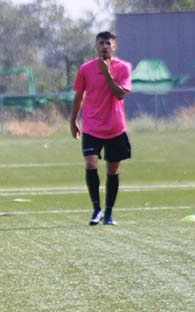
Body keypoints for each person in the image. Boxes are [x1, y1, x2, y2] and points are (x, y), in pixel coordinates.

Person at [70, 31, 133, 226]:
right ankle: (96, 210)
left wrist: (106, 72)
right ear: (96, 46)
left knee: (113, 169)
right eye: (101, 43)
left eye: (108, 43)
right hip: (91, 126)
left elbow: (119, 94)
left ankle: (109, 213)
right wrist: (73, 120)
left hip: (115, 127)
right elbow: (79, 96)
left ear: (114, 46)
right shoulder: (85, 69)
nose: (104, 46)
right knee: (90, 163)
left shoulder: (123, 68)